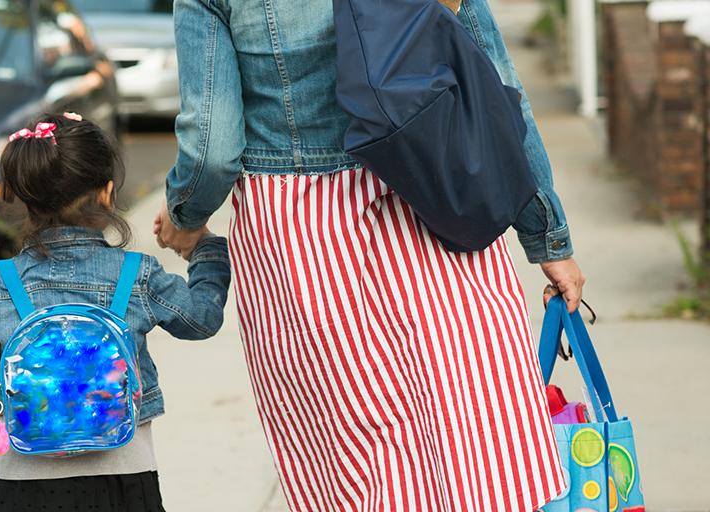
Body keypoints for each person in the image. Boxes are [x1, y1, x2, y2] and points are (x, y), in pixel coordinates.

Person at [154, 0, 584, 510]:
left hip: (302, 239)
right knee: (471, 443)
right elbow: (495, 87)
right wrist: (547, 239)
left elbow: (212, 149)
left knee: (356, 462)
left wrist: (186, 218)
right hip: (429, 197)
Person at [0, 113, 231, 512]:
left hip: (23, 483)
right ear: (108, 193)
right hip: (125, 475)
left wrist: (8, 423)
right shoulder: (136, 275)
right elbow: (202, 319)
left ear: (27, 198)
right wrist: (206, 250)